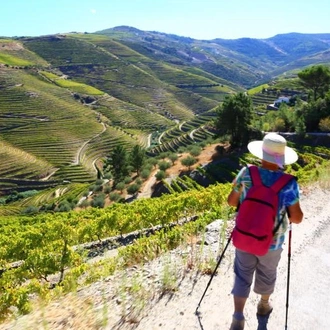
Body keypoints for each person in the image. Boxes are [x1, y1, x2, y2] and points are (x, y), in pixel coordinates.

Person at [227, 132, 304, 330]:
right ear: (282, 159)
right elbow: (296, 218)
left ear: (262, 155)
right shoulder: (288, 183)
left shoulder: (246, 173)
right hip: (272, 242)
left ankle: (237, 317)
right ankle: (263, 306)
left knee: (242, 274)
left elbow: (231, 201)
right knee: (267, 273)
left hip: (244, 236)